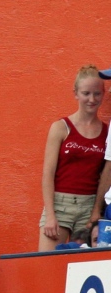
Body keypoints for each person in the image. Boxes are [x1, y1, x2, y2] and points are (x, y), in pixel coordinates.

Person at [42, 67, 107, 251]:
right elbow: (48, 174)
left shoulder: (106, 132)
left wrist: (96, 211)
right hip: (59, 204)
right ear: (75, 93)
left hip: (89, 206)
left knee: (82, 265)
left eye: (97, 94)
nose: (92, 99)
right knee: (48, 266)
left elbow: (104, 175)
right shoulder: (61, 127)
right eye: (86, 93)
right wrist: (50, 215)